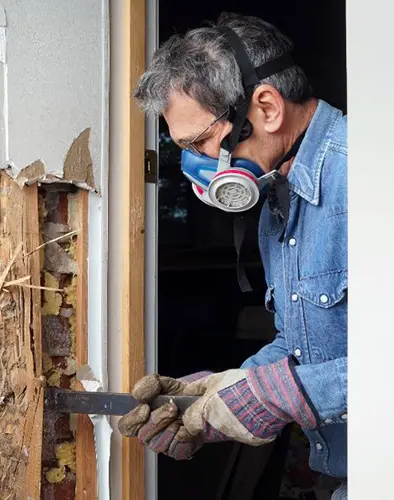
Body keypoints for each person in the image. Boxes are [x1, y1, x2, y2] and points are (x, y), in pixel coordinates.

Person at [118, 13, 347, 499]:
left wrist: (274, 397)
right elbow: (305, 344)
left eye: (200, 142)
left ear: (265, 108)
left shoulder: (375, 177)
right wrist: (221, 396)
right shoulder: (277, 197)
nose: (196, 164)